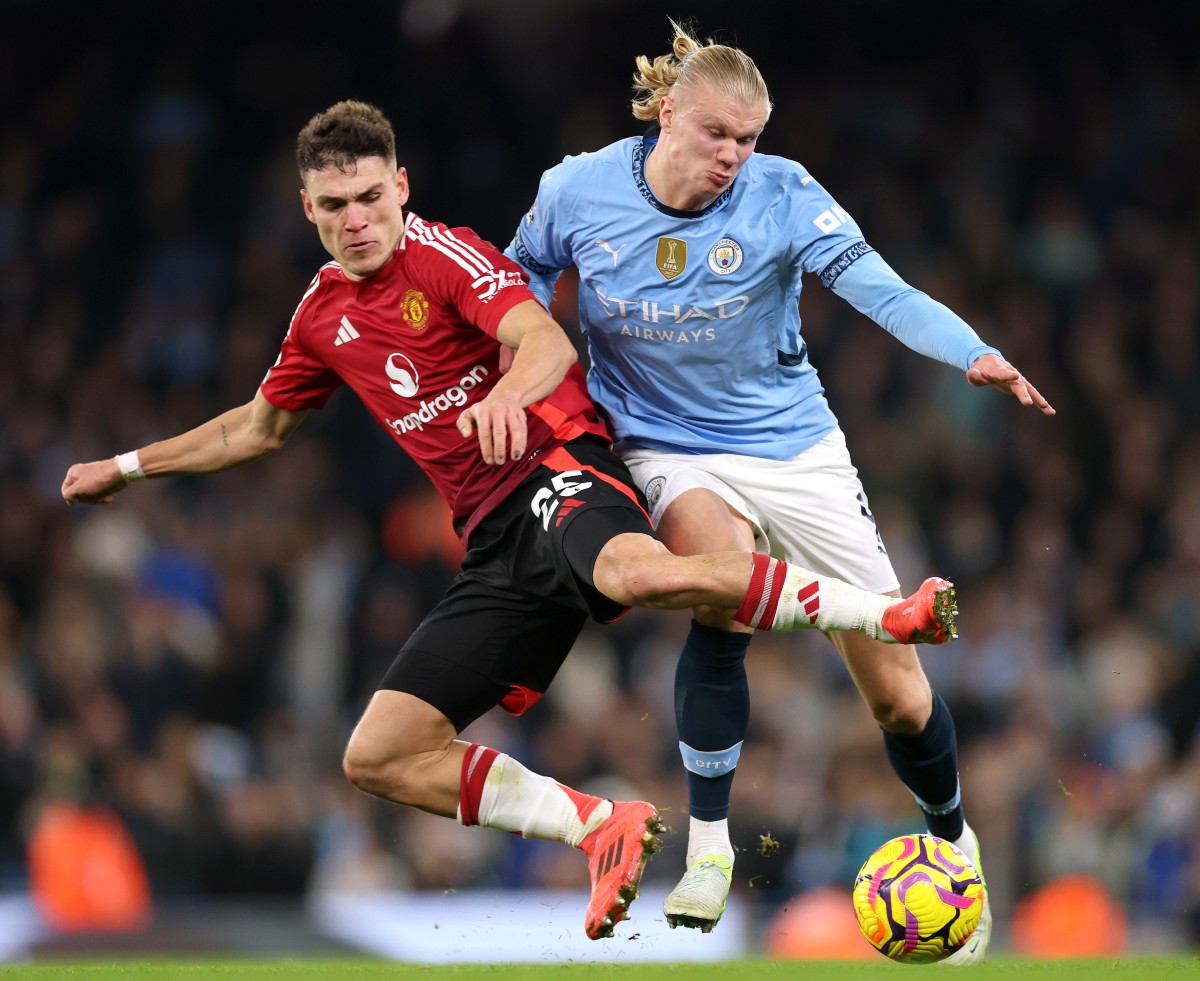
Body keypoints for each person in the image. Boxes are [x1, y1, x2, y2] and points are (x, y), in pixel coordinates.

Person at [61, 100, 958, 941]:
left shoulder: (444, 257)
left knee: (638, 574)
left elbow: (544, 339)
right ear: (309, 208)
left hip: (559, 467)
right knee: (378, 753)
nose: (358, 219)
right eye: (336, 204)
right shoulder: (322, 316)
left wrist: (508, 397)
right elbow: (257, 425)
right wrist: (131, 466)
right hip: (495, 537)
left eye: (373, 196)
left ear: (401, 188)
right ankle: (601, 823)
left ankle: (882, 614)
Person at [505, 22, 1054, 960]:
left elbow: (883, 289)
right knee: (724, 586)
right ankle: (711, 847)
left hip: (795, 448)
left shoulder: (784, 194)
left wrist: (973, 352)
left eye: (749, 138)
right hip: (664, 444)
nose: (733, 156)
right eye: (718, 134)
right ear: (667, 111)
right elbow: (515, 283)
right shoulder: (575, 190)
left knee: (899, 700)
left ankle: (954, 843)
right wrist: (524, 373)